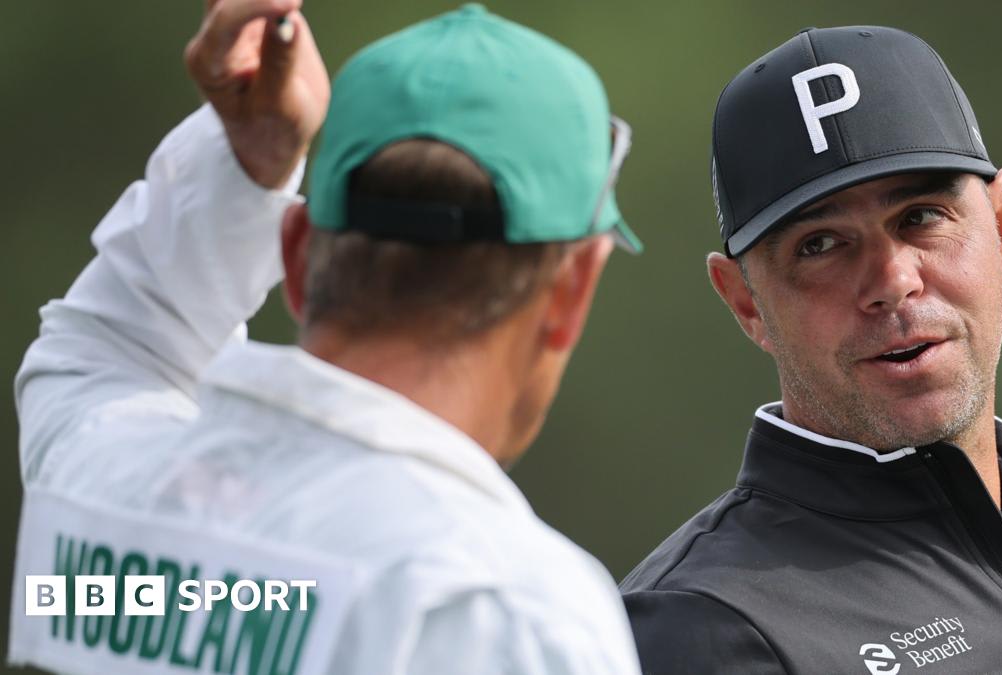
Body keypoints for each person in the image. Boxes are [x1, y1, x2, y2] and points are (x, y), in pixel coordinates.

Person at [9, 1, 643, 673]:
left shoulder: (103, 487)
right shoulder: (504, 610)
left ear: (297, 254)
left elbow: (109, 350)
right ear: (571, 289)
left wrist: (244, 170)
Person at [619, 25, 1002, 675]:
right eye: (820, 245)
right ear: (746, 301)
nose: (892, 282)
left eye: (920, 216)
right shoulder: (693, 626)